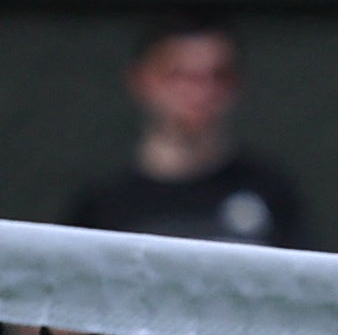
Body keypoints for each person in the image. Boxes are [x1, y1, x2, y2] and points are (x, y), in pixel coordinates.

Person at [64, 16, 309, 246]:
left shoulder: (270, 193)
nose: (199, 93)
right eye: (179, 75)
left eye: (216, 76)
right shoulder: (103, 206)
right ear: (141, 80)